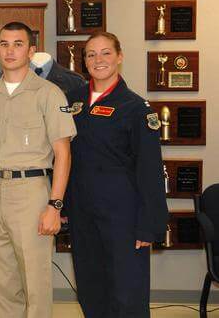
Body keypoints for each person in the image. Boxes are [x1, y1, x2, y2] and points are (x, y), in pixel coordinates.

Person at [0, 21, 76, 318]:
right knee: (0, 282)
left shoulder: (49, 93)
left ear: (31, 51)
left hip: (31, 192)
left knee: (35, 282)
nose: (10, 50)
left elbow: (63, 153)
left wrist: (54, 205)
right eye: (4, 43)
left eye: (18, 44)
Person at [65, 31, 168, 317]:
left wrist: (149, 225)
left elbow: (150, 169)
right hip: (83, 213)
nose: (98, 60)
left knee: (127, 296)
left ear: (119, 57)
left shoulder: (135, 107)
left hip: (123, 217)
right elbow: (64, 157)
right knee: (91, 290)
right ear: (84, 61)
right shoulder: (72, 101)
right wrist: (62, 203)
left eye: (106, 53)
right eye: (91, 54)